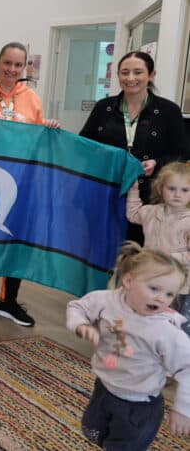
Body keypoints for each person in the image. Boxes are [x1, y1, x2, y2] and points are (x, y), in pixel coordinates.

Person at [0, 42, 60, 328]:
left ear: (24, 67)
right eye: (7, 63)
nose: (12, 70)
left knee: (16, 239)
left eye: (18, 65)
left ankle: (10, 300)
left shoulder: (32, 99)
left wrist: (50, 128)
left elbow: (39, 140)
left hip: (21, 182)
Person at [66, 241, 190, 448]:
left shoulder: (167, 332)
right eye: (154, 288)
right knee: (92, 430)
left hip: (139, 406)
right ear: (129, 280)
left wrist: (183, 409)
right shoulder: (106, 300)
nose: (161, 298)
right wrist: (80, 325)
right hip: (104, 386)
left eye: (169, 294)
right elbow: (78, 307)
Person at [80, 50, 189, 244]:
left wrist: (157, 163)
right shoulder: (103, 107)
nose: (130, 78)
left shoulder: (168, 110)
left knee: (137, 252)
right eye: (124, 72)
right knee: (102, 247)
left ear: (151, 75)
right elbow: (84, 145)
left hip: (149, 198)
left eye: (138, 72)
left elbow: (181, 152)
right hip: (107, 191)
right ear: (118, 75)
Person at [127, 161, 190, 336]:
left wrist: (169, 257)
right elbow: (132, 214)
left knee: (174, 324)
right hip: (149, 278)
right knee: (145, 316)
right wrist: (133, 189)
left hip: (178, 285)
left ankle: (174, 357)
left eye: (185, 190)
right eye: (171, 189)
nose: (177, 194)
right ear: (160, 189)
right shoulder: (151, 212)